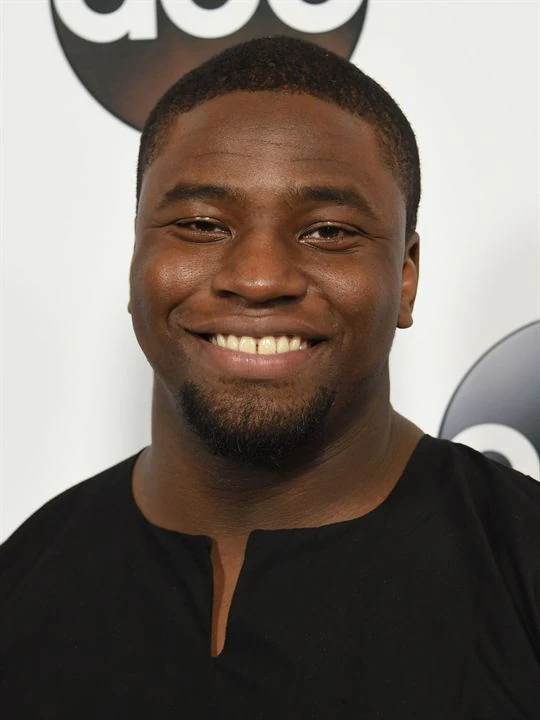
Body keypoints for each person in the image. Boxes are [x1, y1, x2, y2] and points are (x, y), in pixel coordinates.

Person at [1, 36, 539, 719]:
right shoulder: (24, 581)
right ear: (138, 258)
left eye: (328, 232)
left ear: (405, 278)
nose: (259, 278)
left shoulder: (521, 563)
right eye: (201, 225)